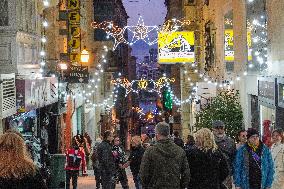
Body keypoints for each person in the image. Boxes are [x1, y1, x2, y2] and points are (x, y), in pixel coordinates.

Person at [140, 122, 190, 189]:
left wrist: (146, 186)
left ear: (157, 134)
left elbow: (143, 174)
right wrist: (181, 186)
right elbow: (186, 174)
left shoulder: (150, 151)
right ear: (168, 133)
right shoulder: (180, 151)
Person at [212, 120, 236, 188]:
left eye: (221, 128)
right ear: (213, 129)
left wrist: (232, 172)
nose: (219, 130)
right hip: (213, 173)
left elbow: (234, 158)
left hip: (226, 173)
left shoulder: (230, 141)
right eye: (217, 128)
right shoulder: (209, 141)